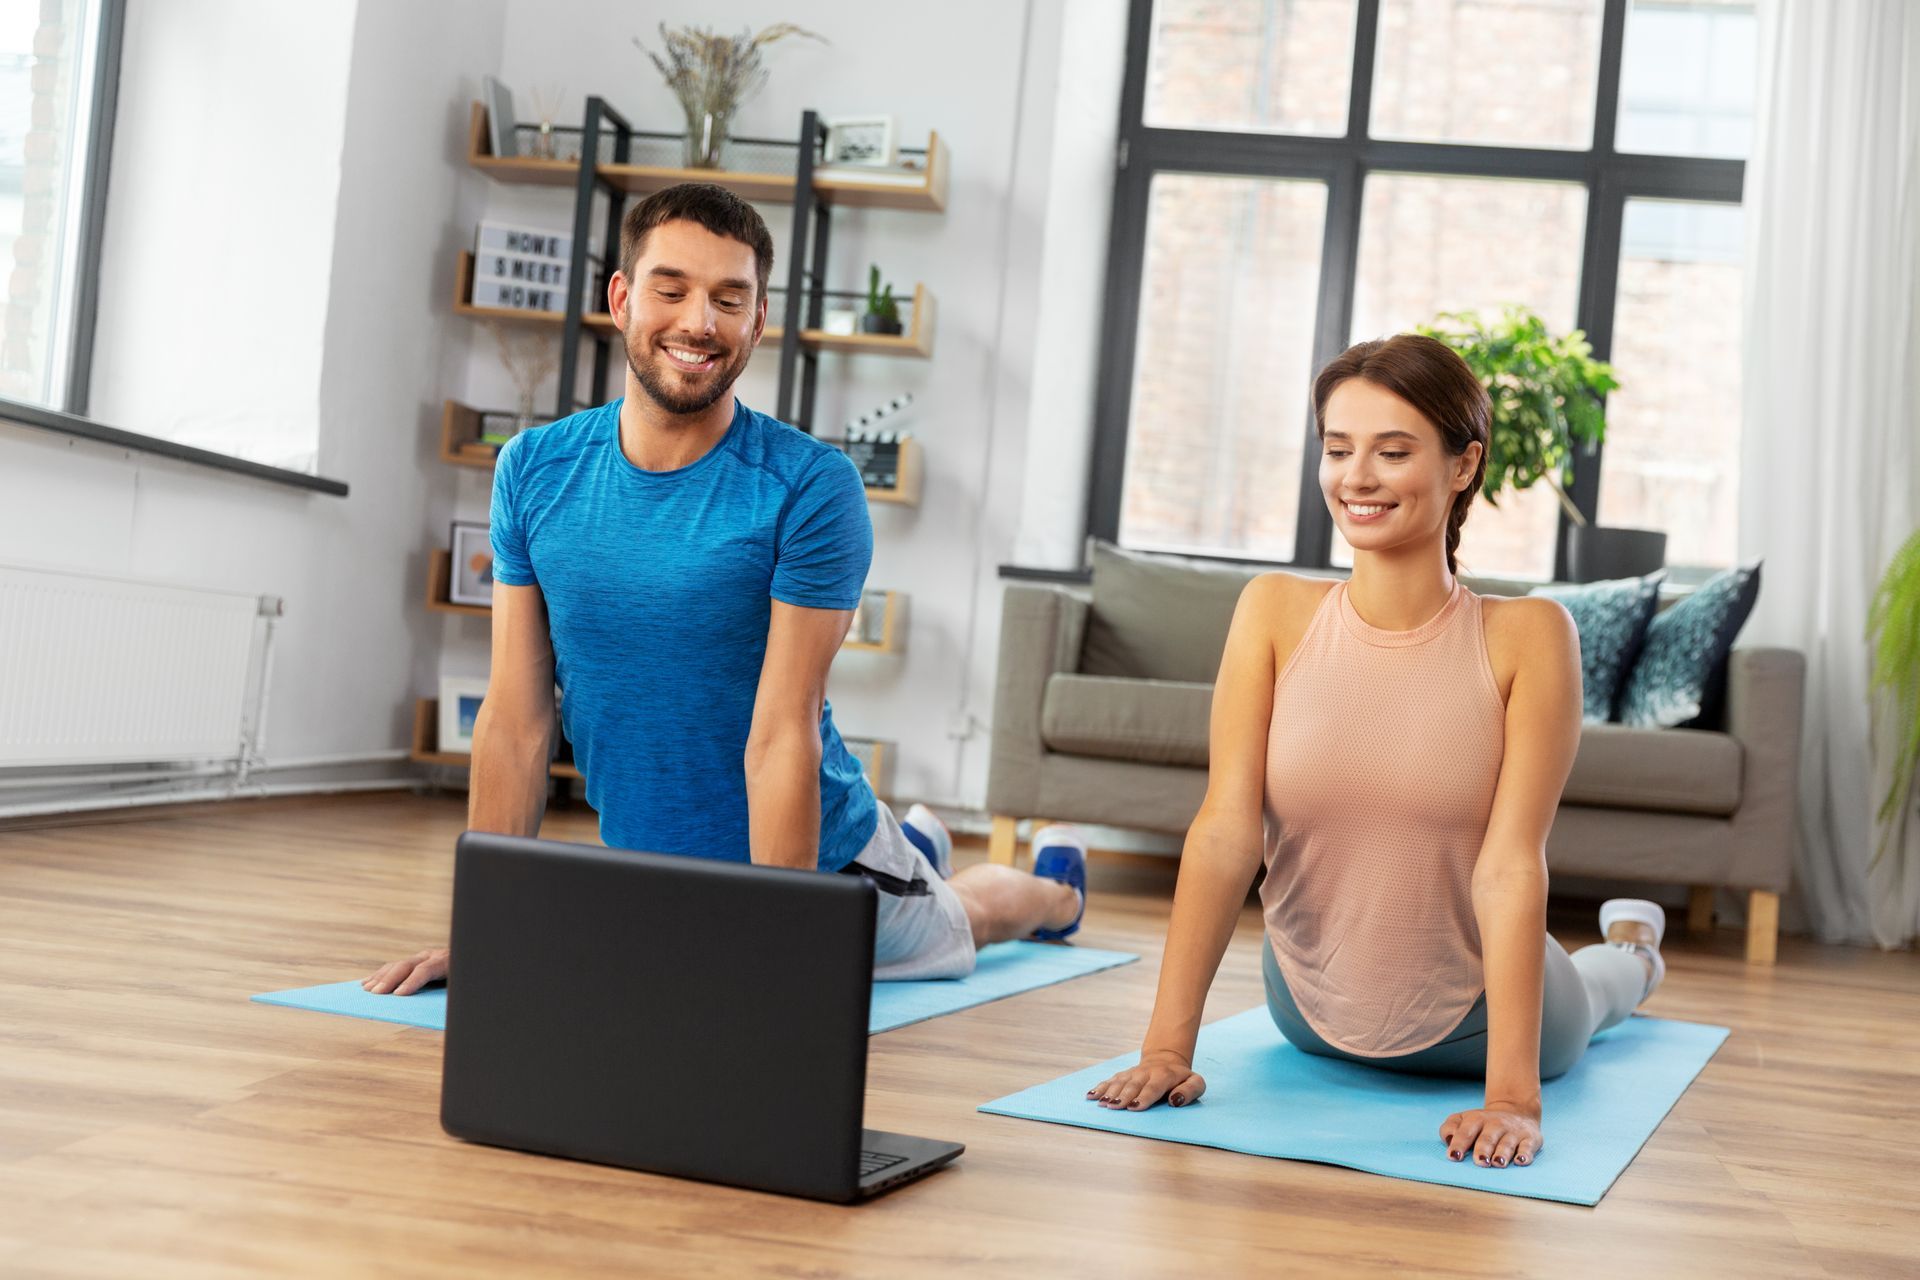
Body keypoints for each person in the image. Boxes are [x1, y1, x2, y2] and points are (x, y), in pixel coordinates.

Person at [366, 183, 1083, 997]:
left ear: (759, 320)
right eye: (670, 290)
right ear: (622, 298)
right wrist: (488, 929)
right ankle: (921, 845)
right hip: (651, 875)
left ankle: (1055, 889)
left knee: (965, 919)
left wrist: (774, 942)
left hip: (820, 862)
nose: (698, 322)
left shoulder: (809, 487)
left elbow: (782, 734)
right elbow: (517, 719)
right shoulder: (533, 471)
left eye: (728, 299)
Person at [1085, 334, 1668, 1172]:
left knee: (1601, 993)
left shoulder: (1530, 636)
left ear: (1464, 466)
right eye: (1337, 448)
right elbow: (1224, 831)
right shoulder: (1273, 612)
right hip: (1309, 1010)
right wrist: (1167, 1049)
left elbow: (1511, 864)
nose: (1356, 477)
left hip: (1488, 1018)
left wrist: (1511, 1098)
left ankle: (1635, 953)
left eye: (1393, 451)